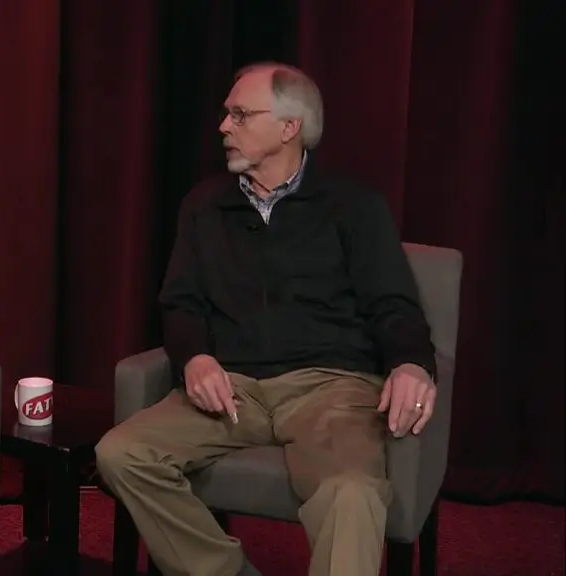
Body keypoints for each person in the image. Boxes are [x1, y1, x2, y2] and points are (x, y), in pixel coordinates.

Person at [95, 62, 438, 576]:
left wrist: (412, 362)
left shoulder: (354, 206)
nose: (223, 127)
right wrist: (195, 359)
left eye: (240, 115)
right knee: (121, 453)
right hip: (234, 389)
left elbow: (394, 304)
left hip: (330, 388)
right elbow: (181, 303)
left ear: (289, 127)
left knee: (352, 492)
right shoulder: (204, 206)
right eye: (226, 114)